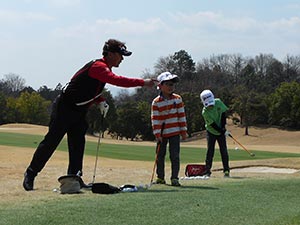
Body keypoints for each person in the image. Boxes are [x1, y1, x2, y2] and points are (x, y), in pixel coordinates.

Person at [23, 38, 155, 191]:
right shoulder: (99, 66)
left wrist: (100, 100)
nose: (122, 59)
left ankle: (74, 178)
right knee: (51, 141)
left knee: (78, 144)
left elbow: (89, 88)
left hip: (79, 111)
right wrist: (143, 82)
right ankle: (31, 173)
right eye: (120, 54)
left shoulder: (104, 69)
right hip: (64, 108)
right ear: (110, 54)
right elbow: (117, 81)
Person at [151, 72, 187, 186]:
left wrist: (184, 130)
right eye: (168, 84)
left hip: (175, 132)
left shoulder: (178, 99)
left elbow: (181, 115)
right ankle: (160, 177)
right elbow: (155, 119)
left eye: (172, 84)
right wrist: (157, 134)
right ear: (161, 86)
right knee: (160, 156)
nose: (171, 87)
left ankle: (174, 178)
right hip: (162, 133)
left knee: (175, 156)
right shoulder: (156, 102)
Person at [200, 89, 230, 177]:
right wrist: (221, 131)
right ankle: (207, 170)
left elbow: (223, 114)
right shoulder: (205, 112)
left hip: (220, 129)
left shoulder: (218, 102)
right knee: (210, 150)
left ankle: (226, 170)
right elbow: (212, 125)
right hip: (211, 131)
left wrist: (223, 127)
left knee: (223, 150)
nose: (210, 106)